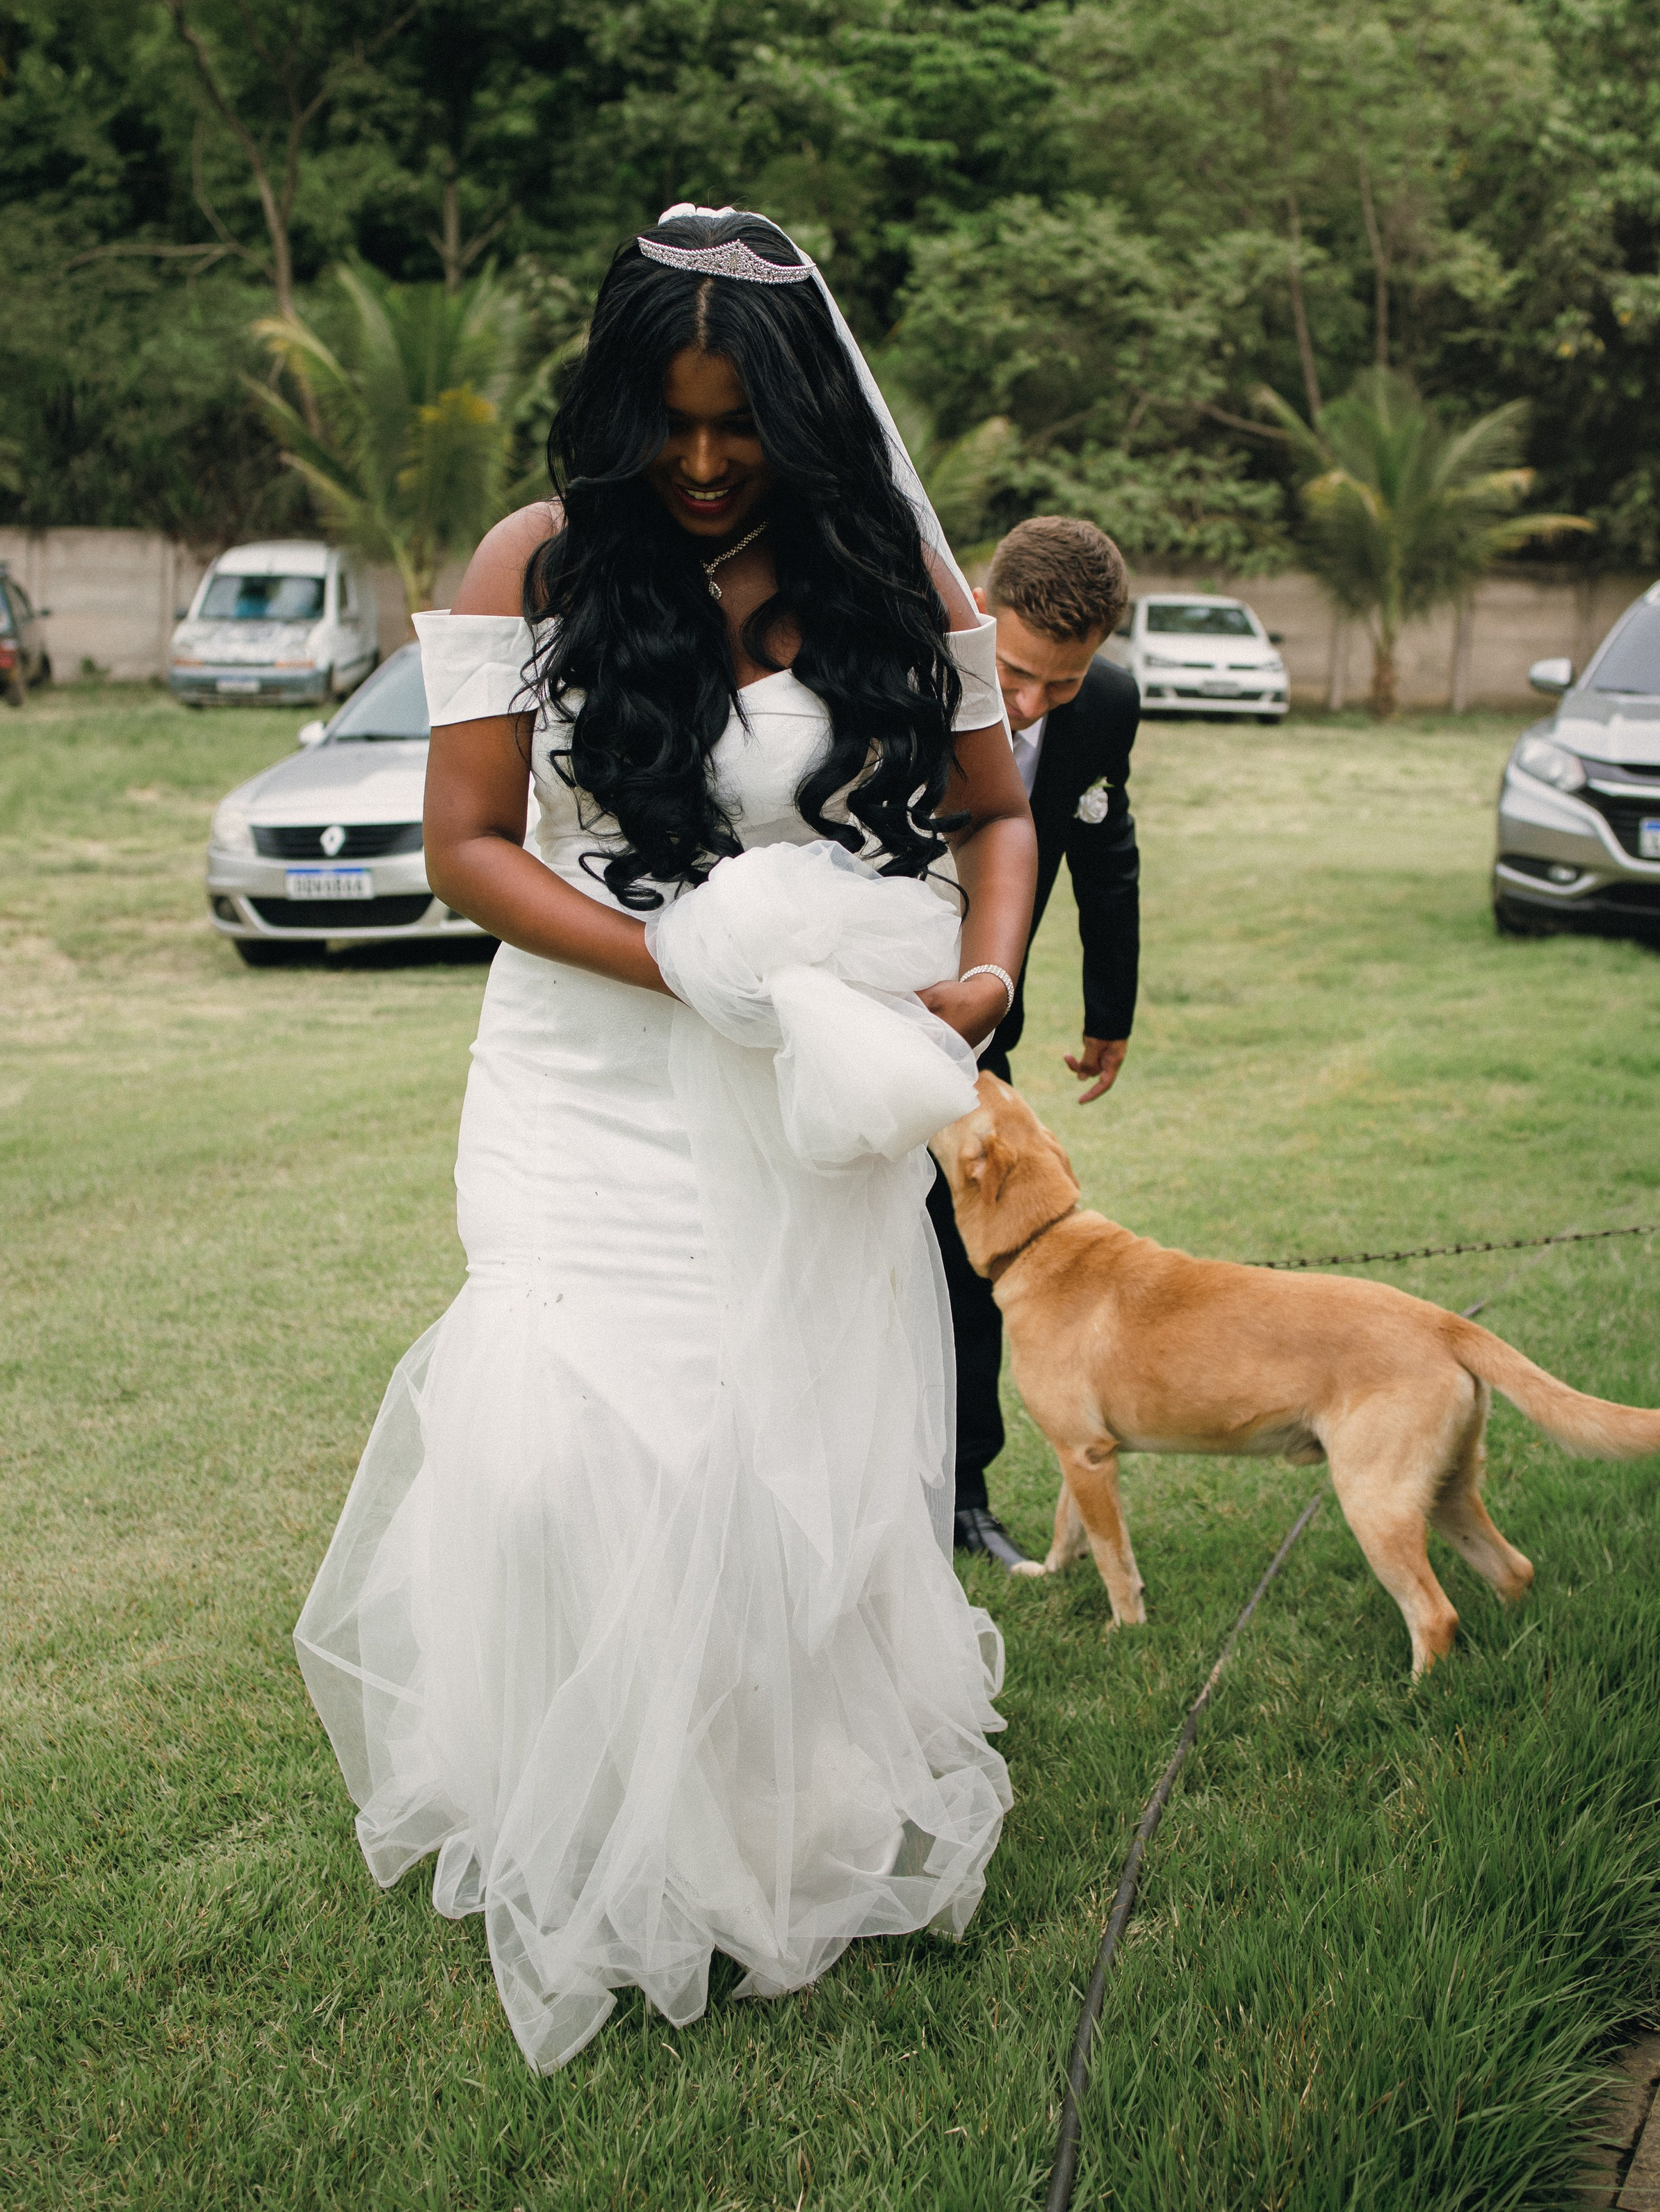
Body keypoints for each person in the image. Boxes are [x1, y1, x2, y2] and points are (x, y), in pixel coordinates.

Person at [294, 207, 1037, 2073]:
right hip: (583, 1069)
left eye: (740, 427)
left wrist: (986, 974)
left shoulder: (889, 573)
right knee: (558, 1446)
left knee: (771, 1434)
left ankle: (771, 1804)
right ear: (621, 402)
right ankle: (576, 1781)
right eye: (671, 423)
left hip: (802, 1082)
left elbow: (996, 813)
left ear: (803, 413)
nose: (703, 466)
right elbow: (472, 845)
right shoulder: (532, 562)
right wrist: (676, 969)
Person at [931, 516, 1140, 1571]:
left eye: (1060, 684)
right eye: (1015, 672)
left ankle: (961, 1494)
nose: (1028, 706)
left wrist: (1111, 1011)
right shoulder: (900, 655)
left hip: (979, 1033)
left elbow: (1104, 847)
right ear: (978, 607)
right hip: (850, 1011)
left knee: (978, 1265)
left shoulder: (1103, 706)